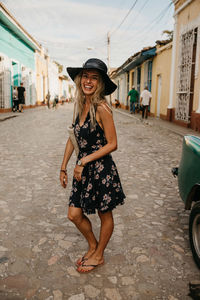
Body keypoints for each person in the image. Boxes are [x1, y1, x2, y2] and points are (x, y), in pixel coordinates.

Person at [60, 58, 125, 273]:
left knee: (105, 215)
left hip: (101, 170)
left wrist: (84, 161)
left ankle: (98, 255)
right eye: (85, 76)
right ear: (80, 80)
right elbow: (73, 137)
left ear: (101, 83)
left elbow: (113, 144)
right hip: (83, 170)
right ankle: (93, 245)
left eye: (94, 78)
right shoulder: (81, 104)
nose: (88, 81)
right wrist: (63, 167)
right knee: (74, 214)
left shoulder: (101, 107)